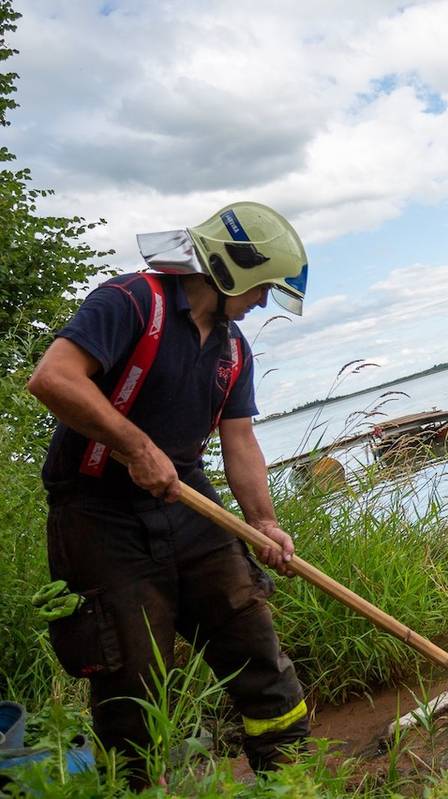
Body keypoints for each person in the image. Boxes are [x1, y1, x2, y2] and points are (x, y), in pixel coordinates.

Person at [26, 201, 311, 784]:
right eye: (260, 288)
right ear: (229, 271)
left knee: (255, 645)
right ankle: (138, 789)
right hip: (99, 515)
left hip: (187, 504)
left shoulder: (233, 350)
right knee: (130, 682)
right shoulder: (130, 301)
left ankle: (294, 781)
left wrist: (264, 522)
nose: (261, 302)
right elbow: (52, 378)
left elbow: (240, 441)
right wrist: (134, 446)